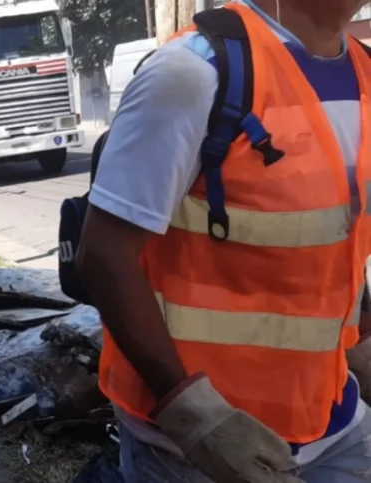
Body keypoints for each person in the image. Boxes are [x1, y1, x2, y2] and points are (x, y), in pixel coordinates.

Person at [75, 0, 371, 481]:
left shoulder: (364, 75)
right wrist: (196, 418)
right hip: (194, 449)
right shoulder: (192, 73)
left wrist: (361, 339)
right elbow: (105, 257)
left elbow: (338, 238)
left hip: (333, 424)